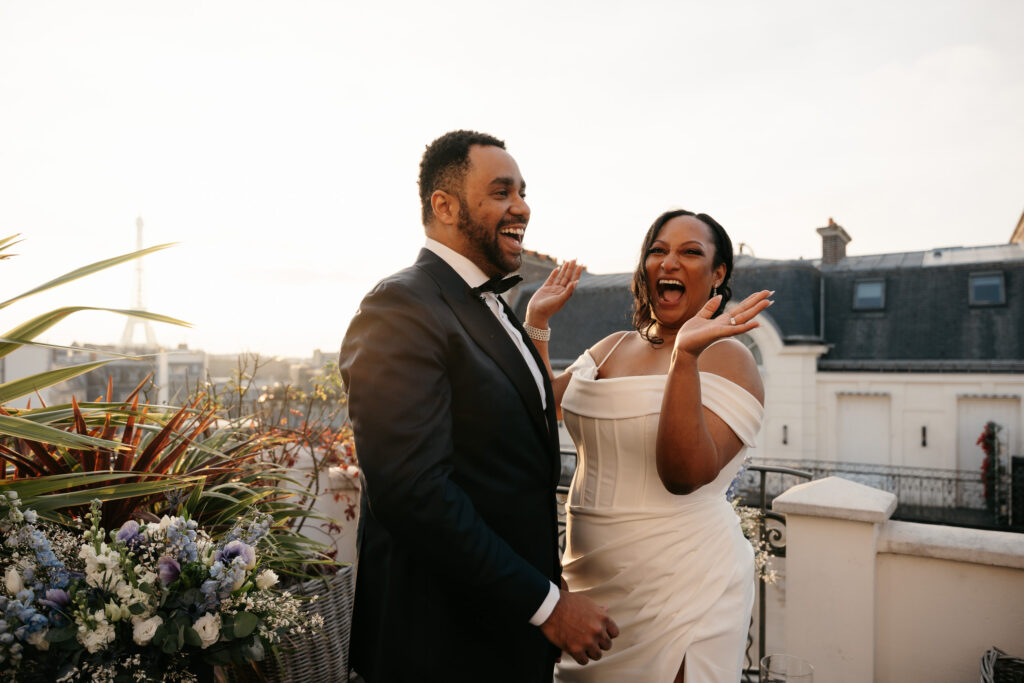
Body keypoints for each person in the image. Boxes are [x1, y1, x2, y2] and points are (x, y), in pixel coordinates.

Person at [339, 130, 619, 683]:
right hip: (441, 643)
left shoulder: (497, 306)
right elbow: (414, 493)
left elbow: (515, 434)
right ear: (444, 206)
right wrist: (548, 605)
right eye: (500, 192)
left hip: (505, 629)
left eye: (522, 191)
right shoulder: (400, 306)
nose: (521, 207)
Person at [523, 209, 773, 682]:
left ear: (718, 274)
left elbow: (682, 475)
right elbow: (537, 411)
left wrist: (686, 357)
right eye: (658, 250)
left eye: (690, 252)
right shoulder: (612, 347)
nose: (669, 262)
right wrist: (537, 321)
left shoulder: (732, 360)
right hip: (588, 580)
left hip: (683, 585)